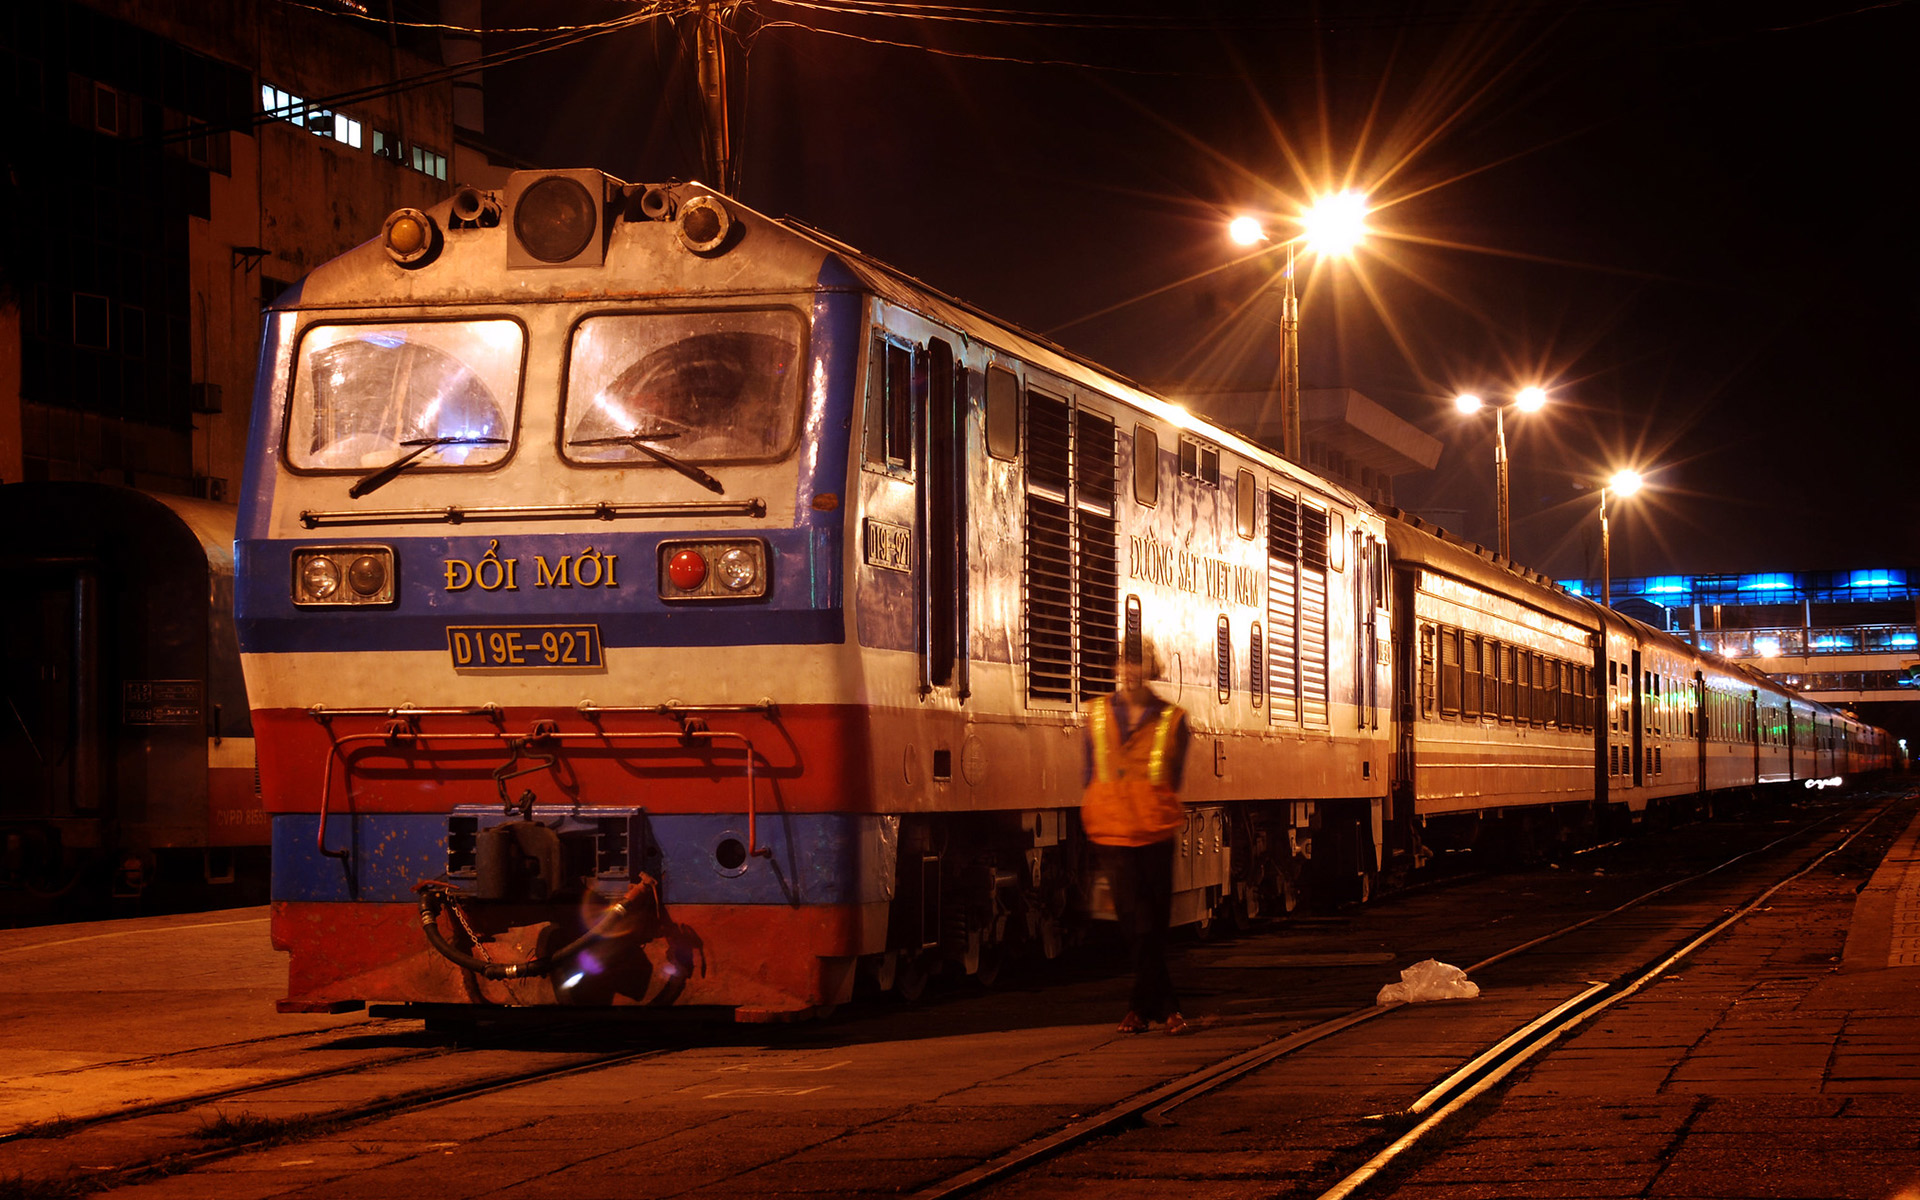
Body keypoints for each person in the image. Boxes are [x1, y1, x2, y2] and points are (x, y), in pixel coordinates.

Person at [1081, 638, 1192, 1035]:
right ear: (1117, 669)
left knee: (1151, 925)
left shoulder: (1172, 719)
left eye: (1137, 663)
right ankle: (1166, 1009)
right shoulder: (1096, 715)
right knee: (1137, 924)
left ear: (1151, 669)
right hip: (1112, 834)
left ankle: (1140, 1011)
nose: (1129, 670)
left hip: (1154, 832)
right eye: (1124, 663)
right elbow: (1089, 769)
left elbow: (1173, 776)